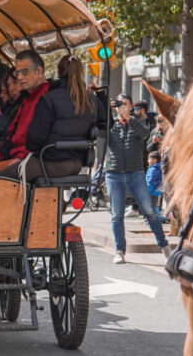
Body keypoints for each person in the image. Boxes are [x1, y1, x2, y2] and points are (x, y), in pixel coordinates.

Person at [105, 94, 169, 263]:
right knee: (116, 215)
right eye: (120, 104)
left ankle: (164, 245)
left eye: (125, 104)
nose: (122, 107)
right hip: (114, 173)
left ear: (131, 106)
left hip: (135, 173)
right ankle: (119, 251)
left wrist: (129, 119)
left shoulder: (137, 123)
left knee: (149, 212)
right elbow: (99, 132)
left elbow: (145, 134)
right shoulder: (110, 124)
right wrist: (106, 109)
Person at [17, 55, 98, 181]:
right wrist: (101, 95)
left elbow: (35, 138)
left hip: (50, 164)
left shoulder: (49, 99)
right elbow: (106, 124)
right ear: (81, 73)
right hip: (77, 163)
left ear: (59, 73)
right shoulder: (91, 99)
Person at [0, 50, 50, 176]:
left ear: (39, 72)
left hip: (28, 159)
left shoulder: (46, 98)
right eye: (18, 73)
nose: (20, 77)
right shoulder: (27, 99)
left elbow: (38, 138)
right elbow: (13, 133)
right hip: (15, 156)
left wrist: (19, 158)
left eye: (25, 72)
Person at [146, 151, 165, 221]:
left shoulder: (153, 169)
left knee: (152, 205)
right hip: (156, 190)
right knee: (155, 204)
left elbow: (150, 181)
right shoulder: (157, 168)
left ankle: (154, 218)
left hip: (152, 190)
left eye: (149, 159)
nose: (148, 161)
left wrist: (147, 190)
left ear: (154, 160)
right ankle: (157, 216)